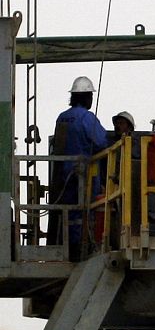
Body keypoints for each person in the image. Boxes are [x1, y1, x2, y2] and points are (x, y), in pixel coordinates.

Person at [49, 76, 109, 256]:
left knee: (66, 212)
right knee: (83, 211)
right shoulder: (86, 117)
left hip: (61, 174)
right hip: (82, 174)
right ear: (87, 97)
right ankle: (80, 247)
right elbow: (100, 142)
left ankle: (64, 245)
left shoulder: (62, 117)